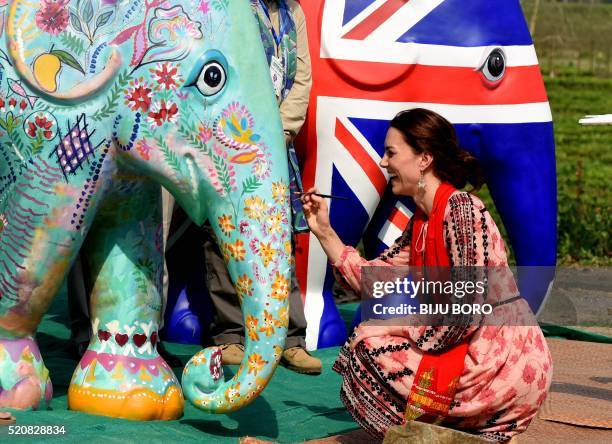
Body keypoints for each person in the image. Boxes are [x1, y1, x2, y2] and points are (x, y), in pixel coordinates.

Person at [301, 108, 552, 440]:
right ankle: (453, 431)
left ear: (423, 159)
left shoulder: (462, 210)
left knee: (370, 343)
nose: (383, 162)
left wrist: (402, 327)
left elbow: (467, 309)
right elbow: (373, 281)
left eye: (391, 152)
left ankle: (461, 424)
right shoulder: (422, 222)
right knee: (365, 347)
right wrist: (325, 231)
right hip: (471, 348)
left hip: (502, 360)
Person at [165, 0, 321, 374]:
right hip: (229, 134)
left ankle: (290, 337)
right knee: (224, 235)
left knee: (276, 235)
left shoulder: (292, 12)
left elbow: (301, 77)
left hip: (274, 140)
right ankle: (232, 335)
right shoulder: (231, 7)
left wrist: (279, 129)